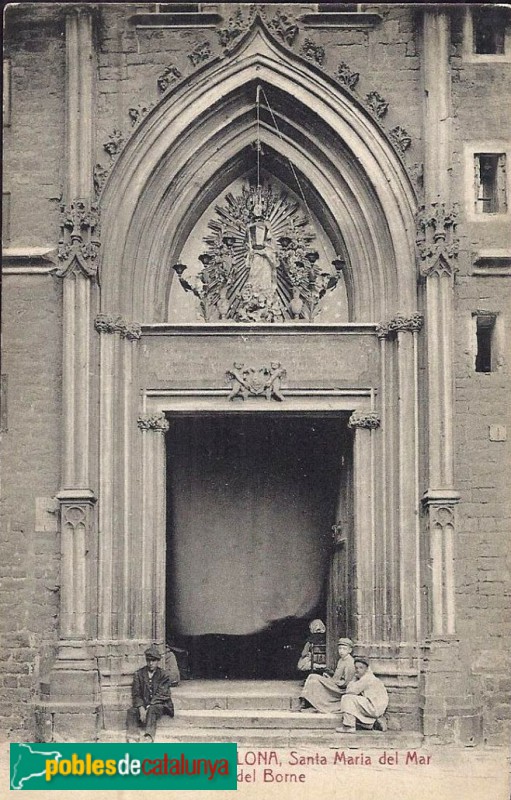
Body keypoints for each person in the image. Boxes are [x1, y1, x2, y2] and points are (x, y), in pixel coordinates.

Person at [126, 645, 175, 742]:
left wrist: (148, 706)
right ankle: (132, 735)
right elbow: (136, 693)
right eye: (148, 660)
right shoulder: (139, 674)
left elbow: (162, 694)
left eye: (153, 661)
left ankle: (149, 736)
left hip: (159, 704)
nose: (151, 663)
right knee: (132, 711)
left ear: (158, 661)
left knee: (152, 709)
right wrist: (140, 707)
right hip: (144, 704)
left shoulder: (164, 675)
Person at [298, 637, 356, 713]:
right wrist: (329, 677)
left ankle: (306, 701)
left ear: (350, 650)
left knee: (313, 678)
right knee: (312, 676)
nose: (341, 651)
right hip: (335, 683)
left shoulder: (350, 662)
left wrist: (332, 681)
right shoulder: (341, 660)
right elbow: (337, 676)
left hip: (340, 689)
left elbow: (346, 683)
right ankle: (305, 700)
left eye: (344, 649)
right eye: (340, 649)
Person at [335, 655, 388, 733]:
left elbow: (350, 690)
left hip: (374, 707)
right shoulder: (368, 677)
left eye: (361, 668)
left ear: (366, 669)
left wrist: (354, 679)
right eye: (356, 668)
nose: (358, 670)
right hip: (376, 706)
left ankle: (349, 726)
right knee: (354, 701)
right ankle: (372, 723)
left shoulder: (366, 678)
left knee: (347, 698)